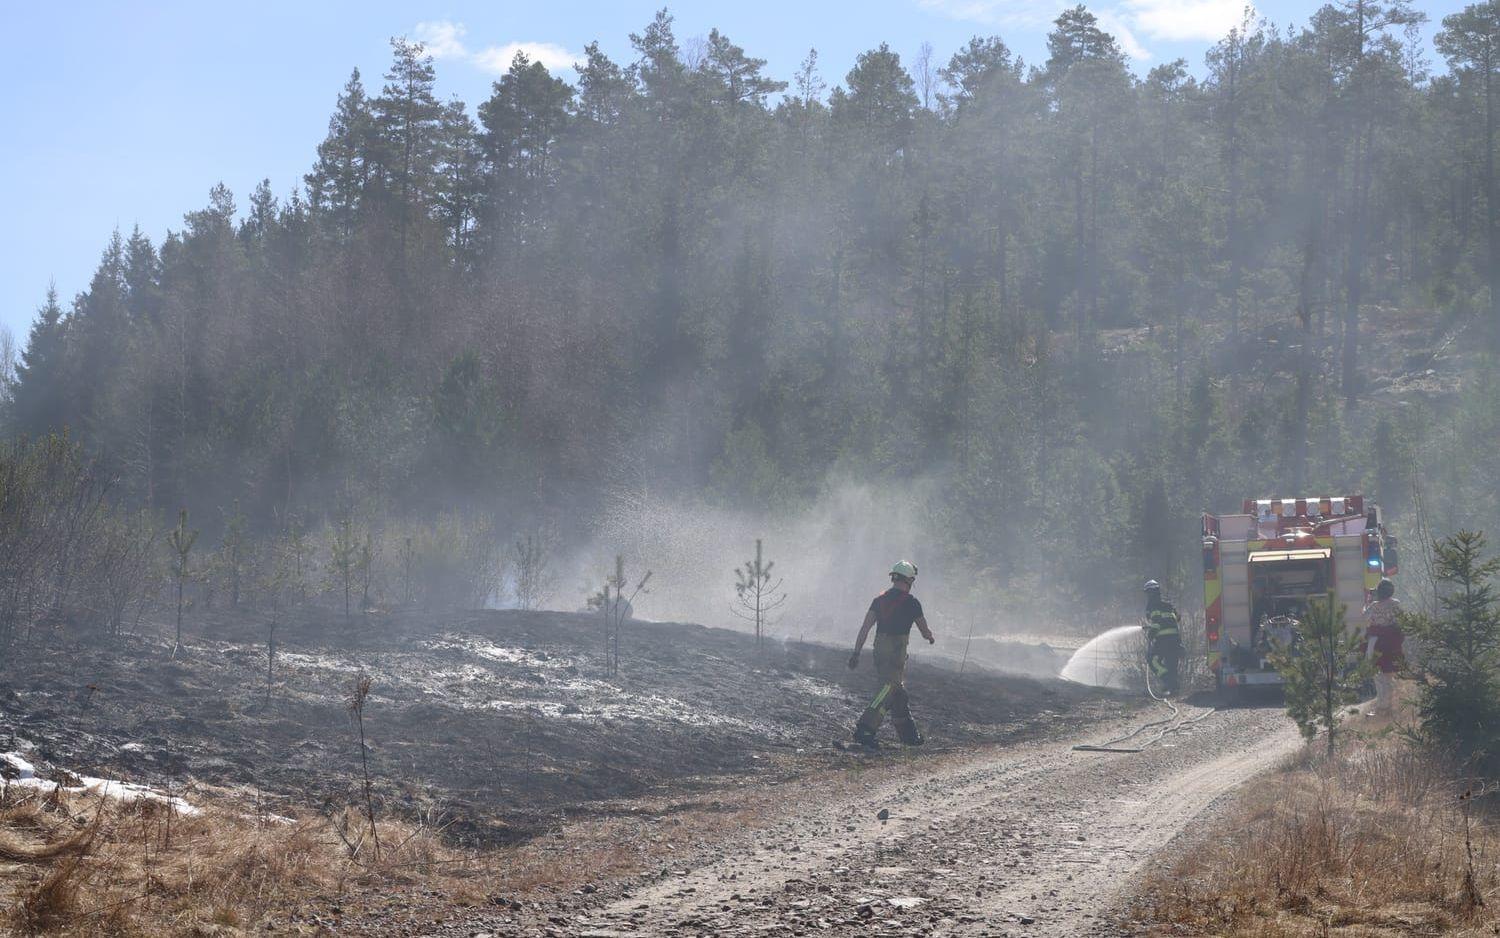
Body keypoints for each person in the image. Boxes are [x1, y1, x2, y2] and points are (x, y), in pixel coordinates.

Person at [848, 561, 935, 749]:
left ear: (894, 577)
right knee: (887, 690)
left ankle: (909, 736)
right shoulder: (912, 603)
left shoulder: (879, 600)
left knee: (898, 693)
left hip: (880, 649)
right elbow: (923, 629)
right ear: (910, 580)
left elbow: (865, 628)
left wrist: (856, 652)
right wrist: (930, 637)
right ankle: (865, 728)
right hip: (896, 652)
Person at [1364, 578, 1404, 717]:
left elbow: (1366, 620)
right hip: (1392, 643)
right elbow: (1401, 621)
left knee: (1379, 678)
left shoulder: (1374, 606)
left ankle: (1382, 708)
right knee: (1389, 675)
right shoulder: (1396, 604)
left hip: (1376, 644)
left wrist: (1369, 601)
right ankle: (1389, 707)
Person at [1143, 580, 1182, 695]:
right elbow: (1178, 618)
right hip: (1176, 640)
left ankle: (1168, 681)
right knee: (1172, 664)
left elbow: (1157, 622)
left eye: (1148, 593)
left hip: (1163, 640)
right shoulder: (1168, 605)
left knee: (1152, 660)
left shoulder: (1152, 605)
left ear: (1150, 592)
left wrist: (1151, 633)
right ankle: (1173, 689)